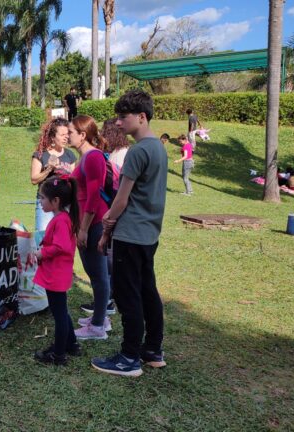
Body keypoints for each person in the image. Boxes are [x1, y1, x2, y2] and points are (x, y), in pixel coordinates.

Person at [93, 90, 168, 377]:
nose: (119, 123)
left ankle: (128, 358)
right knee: (148, 291)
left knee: (128, 297)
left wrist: (105, 229)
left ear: (141, 116)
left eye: (123, 117)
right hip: (149, 235)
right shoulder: (159, 148)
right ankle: (153, 351)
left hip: (131, 234)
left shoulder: (138, 151)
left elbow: (121, 200)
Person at [68, 115, 112, 341]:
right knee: (95, 272)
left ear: (83, 135)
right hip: (86, 221)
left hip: (93, 222)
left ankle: (97, 326)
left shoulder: (92, 157)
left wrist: (83, 228)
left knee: (98, 275)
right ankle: (100, 316)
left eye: (71, 132)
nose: (67, 135)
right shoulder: (83, 157)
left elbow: (94, 197)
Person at [32, 176, 81, 365]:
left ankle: (59, 355)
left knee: (59, 314)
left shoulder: (61, 220)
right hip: (58, 274)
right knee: (61, 310)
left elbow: (61, 247)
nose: (40, 202)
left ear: (56, 201)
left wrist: (41, 253)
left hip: (56, 275)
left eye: (43, 198)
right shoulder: (63, 218)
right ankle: (71, 343)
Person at [30, 117, 77, 231]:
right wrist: (49, 169)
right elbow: (34, 179)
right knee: (43, 236)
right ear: (52, 137)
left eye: (67, 134)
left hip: (66, 204)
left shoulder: (70, 155)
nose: (66, 137)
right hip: (46, 203)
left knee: (64, 236)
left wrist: (68, 174)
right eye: (62, 135)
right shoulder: (41, 155)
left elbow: (74, 180)